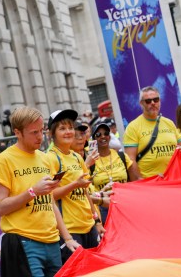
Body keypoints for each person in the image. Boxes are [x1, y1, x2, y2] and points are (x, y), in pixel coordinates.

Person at [0, 107, 80, 276]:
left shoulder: (44, 158)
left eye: (42, 130)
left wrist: (67, 237)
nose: (40, 136)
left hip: (52, 241)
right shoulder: (5, 160)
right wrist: (32, 192)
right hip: (25, 241)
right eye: (34, 132)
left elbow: (50, 202)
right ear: (17, 132)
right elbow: (0, 207)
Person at [45, 109, 104, 263]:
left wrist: (96, 221)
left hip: (89, 226)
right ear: (52, 133)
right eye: (62, 128)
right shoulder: (49, 158)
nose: (68, 132)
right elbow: (49, 197)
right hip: (70, 230)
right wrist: (74, 185)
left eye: (70, 128)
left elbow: (85, 192)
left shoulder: (77, 157)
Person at [123, 86, 181, 179]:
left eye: (156, 100)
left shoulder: (169, 123)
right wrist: (140, 182)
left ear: (160, 101)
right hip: (151, 184)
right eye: (148, 101)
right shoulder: (133, 127)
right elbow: (130, 160)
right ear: (141, 103)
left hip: (175, 179)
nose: (153, 103)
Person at [89, 120, 137, 219]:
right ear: (93, 139)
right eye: (98, 134)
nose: (103, 136)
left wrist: (155, 181)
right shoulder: (90, 161)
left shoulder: (122, 156)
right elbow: (88, 191)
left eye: (106, 133)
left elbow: (135, 182)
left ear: (109, 137)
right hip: (104, 208)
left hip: (126, 203)